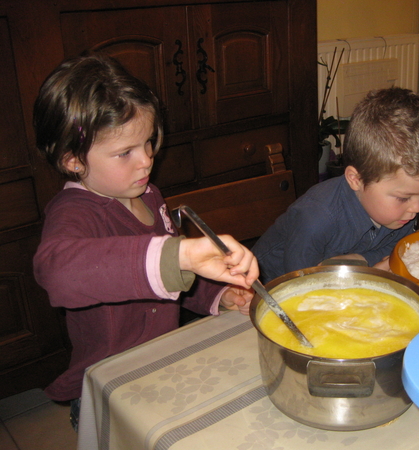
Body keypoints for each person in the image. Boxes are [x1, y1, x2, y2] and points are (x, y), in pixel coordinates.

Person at [32, 54, 259, 426]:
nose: (146, 161)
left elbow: (173, 275)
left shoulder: (149, 195)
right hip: (109, 385)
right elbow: (58, 272)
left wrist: (218, 295)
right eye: (125, 153)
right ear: (73, 160)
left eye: (148, 142)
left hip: (162, 363)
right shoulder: (72, 212)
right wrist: (179, 254)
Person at [253, 87, 419, 284]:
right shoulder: (316, 217)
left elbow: (398, 248)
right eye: (404, 197)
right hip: (268, 285)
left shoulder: (402, 212)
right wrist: (363, 269)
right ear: (356, 179)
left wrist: (362, 262)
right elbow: (303, 285)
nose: (417, 208)